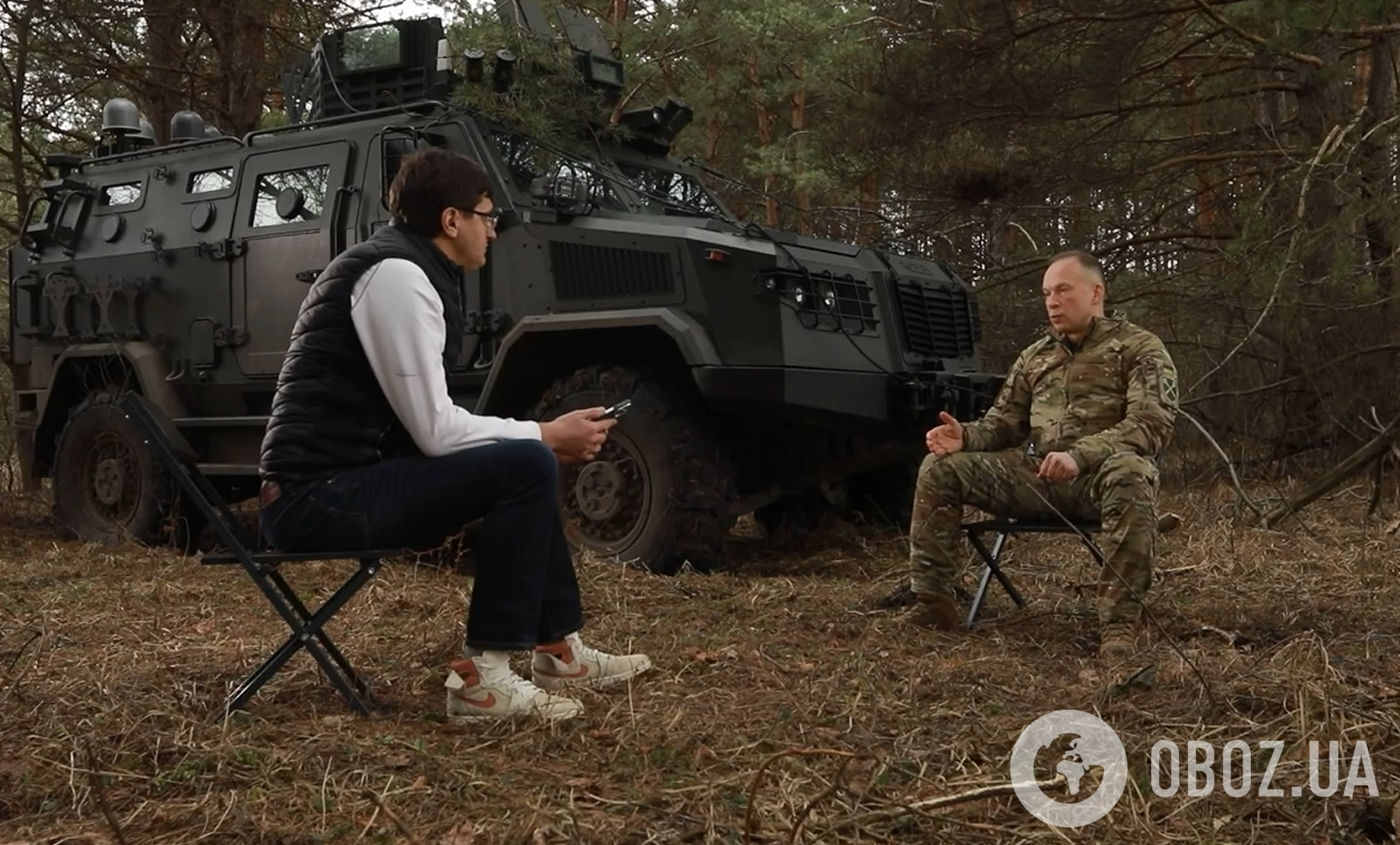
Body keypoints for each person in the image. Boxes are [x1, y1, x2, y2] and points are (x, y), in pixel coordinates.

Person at [256, 146, 652, 722]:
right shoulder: (397, 276)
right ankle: (481, 680)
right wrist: (544, 433)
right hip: (314, 498)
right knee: (527, 461)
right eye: (488, 216)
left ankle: (557, 651)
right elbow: (436, 431)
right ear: (451, 219)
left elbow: (428, 430)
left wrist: (533, 437)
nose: (493, 232)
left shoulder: (410, 268)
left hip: (345, 480)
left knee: (523, 458)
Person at [906, 250, 1179, 660]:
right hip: (1038, 478)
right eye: (1047, 293)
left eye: (1063, 290)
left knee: (1130, 469)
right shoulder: (1036, 356)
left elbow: (1151, 423)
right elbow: (1004, 424)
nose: (1052, 301)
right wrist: (966, 437)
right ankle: (934, 604)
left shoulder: (1139, 348)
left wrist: (1081, 456)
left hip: (1099, 481)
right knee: (940, 468)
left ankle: (1120, 626)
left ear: (1096, 292)